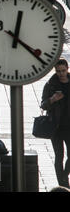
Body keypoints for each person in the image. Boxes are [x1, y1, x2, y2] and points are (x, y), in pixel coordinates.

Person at [41, 58, 70, 187]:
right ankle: (63, 185)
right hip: (56, 127)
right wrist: (52, 99)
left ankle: (64, 176)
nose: (61, 74)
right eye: (58, 71)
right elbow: (43, 105)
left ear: (67, 69)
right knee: (59, 156)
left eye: (63, 71)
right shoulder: (50, 84)